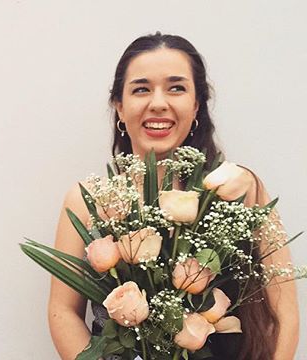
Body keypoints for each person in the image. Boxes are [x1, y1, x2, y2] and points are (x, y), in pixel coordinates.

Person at [48, 33, 299, 360]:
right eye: (141, 89)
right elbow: (62, 312)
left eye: (176, 88)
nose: (158, 103)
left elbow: (284, 314)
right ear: (119, 107)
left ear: (196, 105)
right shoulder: (86, 200)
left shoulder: (240, 188)